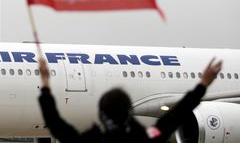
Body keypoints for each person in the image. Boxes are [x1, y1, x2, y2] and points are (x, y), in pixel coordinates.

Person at [38, 57, 223, 143]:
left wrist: (46, 83)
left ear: (101, 114)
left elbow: (55, 123)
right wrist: (204, 84)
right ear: (128, 112)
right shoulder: (149, 136)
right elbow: (176, 116)